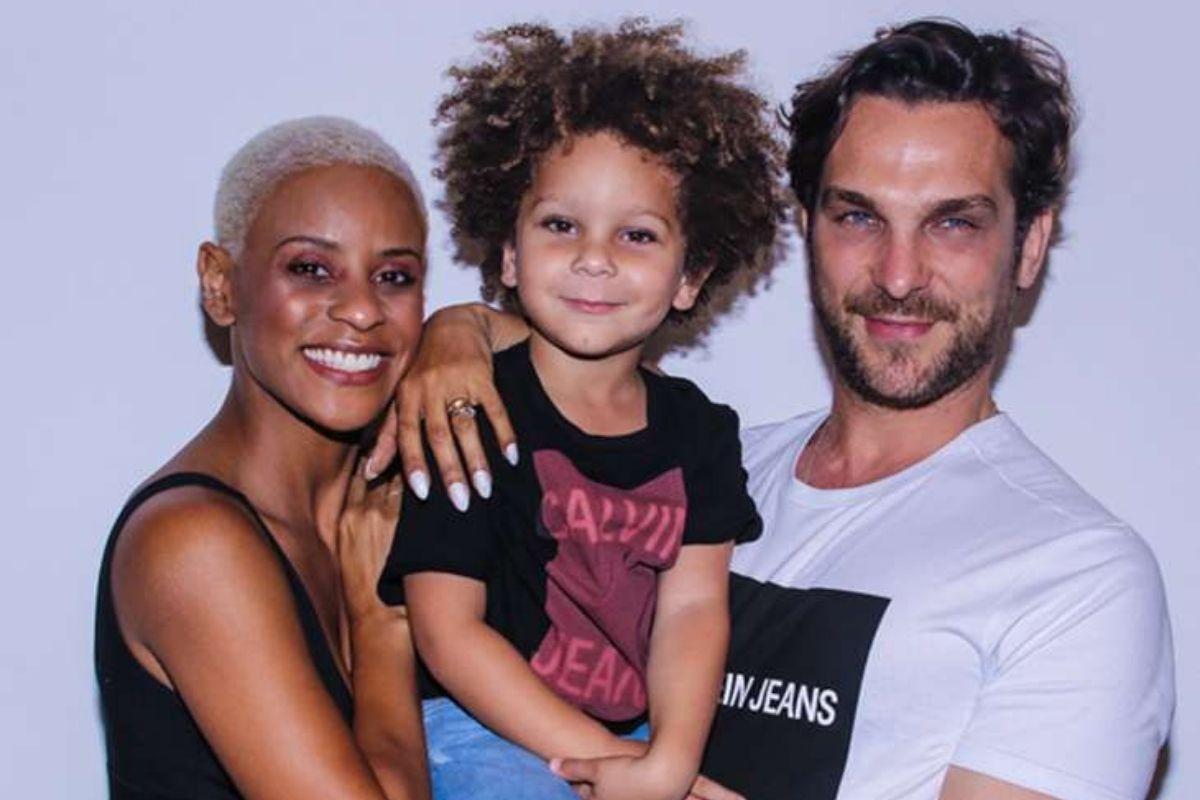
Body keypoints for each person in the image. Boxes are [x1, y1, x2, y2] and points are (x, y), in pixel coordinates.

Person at [368, 19, 1175, 800]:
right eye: (858, 216)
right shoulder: (712, 460)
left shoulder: (1075, 578)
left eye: (953, 223)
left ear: (1029, 245)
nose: (899, 274)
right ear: (808, 227)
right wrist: (458, 332)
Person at [375, 20, 784, 800]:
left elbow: (695, 611)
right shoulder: (472, 406)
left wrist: (669, 764)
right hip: (479, 727)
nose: (594, 258)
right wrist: (618, 768)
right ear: (509, 252)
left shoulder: (700, 433)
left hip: (635, 736)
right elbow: (446, 632)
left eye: (637, 235)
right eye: (561, 225)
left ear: (690, 277)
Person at [95, 117, 431, 800]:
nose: (362, 310)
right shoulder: (191, 543)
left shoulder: (384, 511)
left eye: (394, 276)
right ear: (220, 284)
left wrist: (462, 335)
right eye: (310, 268)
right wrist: (381, 622)